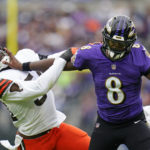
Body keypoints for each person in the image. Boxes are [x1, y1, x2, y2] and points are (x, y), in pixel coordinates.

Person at [4, 15, 150, 150]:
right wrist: (24, 66)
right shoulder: (94, 52)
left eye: (120, 45)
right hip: (106, 125)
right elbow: (60, 63)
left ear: (130, 43)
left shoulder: (138, 54)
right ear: (105, 38)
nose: (115, 48)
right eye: (113, 43)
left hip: (134, 122)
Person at [0, 47, 90, 150]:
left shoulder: (24, 54)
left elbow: (51, 59)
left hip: (56, 129)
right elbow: (40, 87)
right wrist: (64, 57)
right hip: (34, 141)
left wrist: (82, 51)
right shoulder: (1, 81)